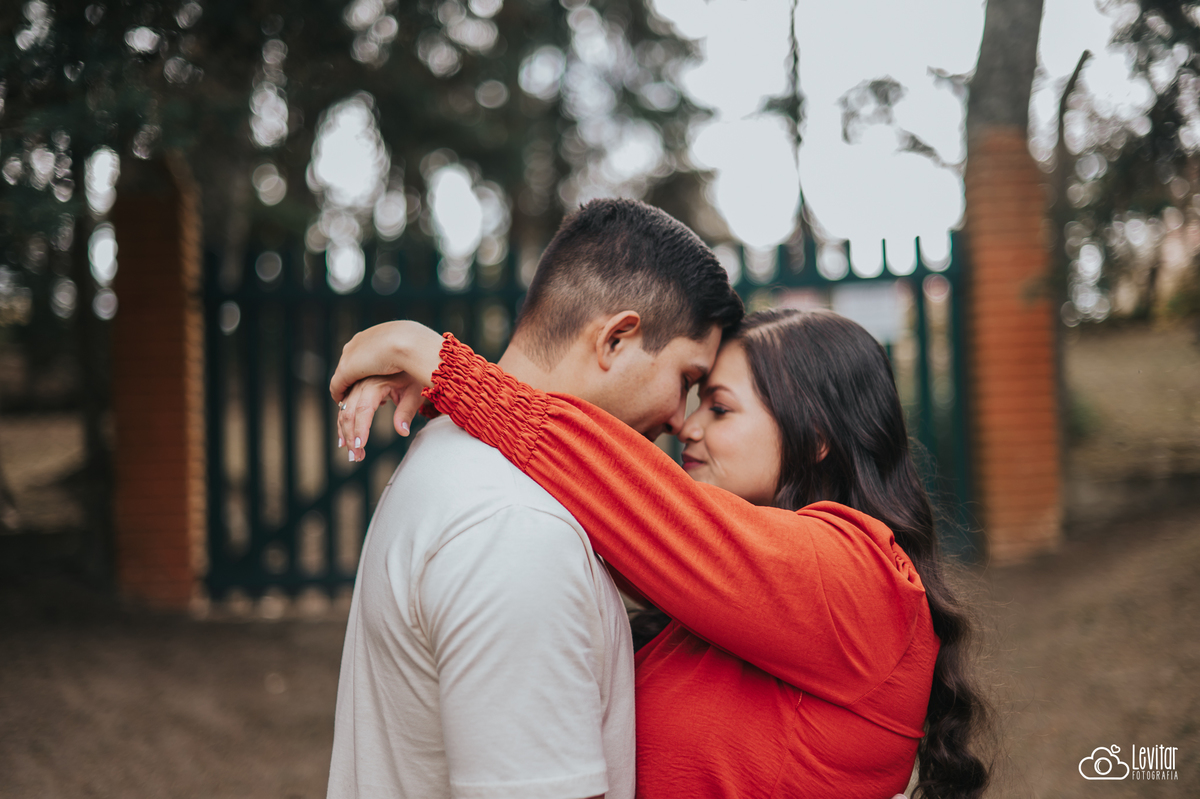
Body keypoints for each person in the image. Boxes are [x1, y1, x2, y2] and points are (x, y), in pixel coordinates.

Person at [331, 309, 993, 799]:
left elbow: (630, 498)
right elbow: (600, 506)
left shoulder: (861, 576)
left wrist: (440, 364)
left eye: (720, 408)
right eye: (695, 399)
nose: (687, 426)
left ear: (816, 434)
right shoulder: (736, 597)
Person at [325, 197, 744, 799]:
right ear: (616, 339)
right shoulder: (518, 529)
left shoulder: (457, 454)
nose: (683, 418)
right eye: (687, 380)